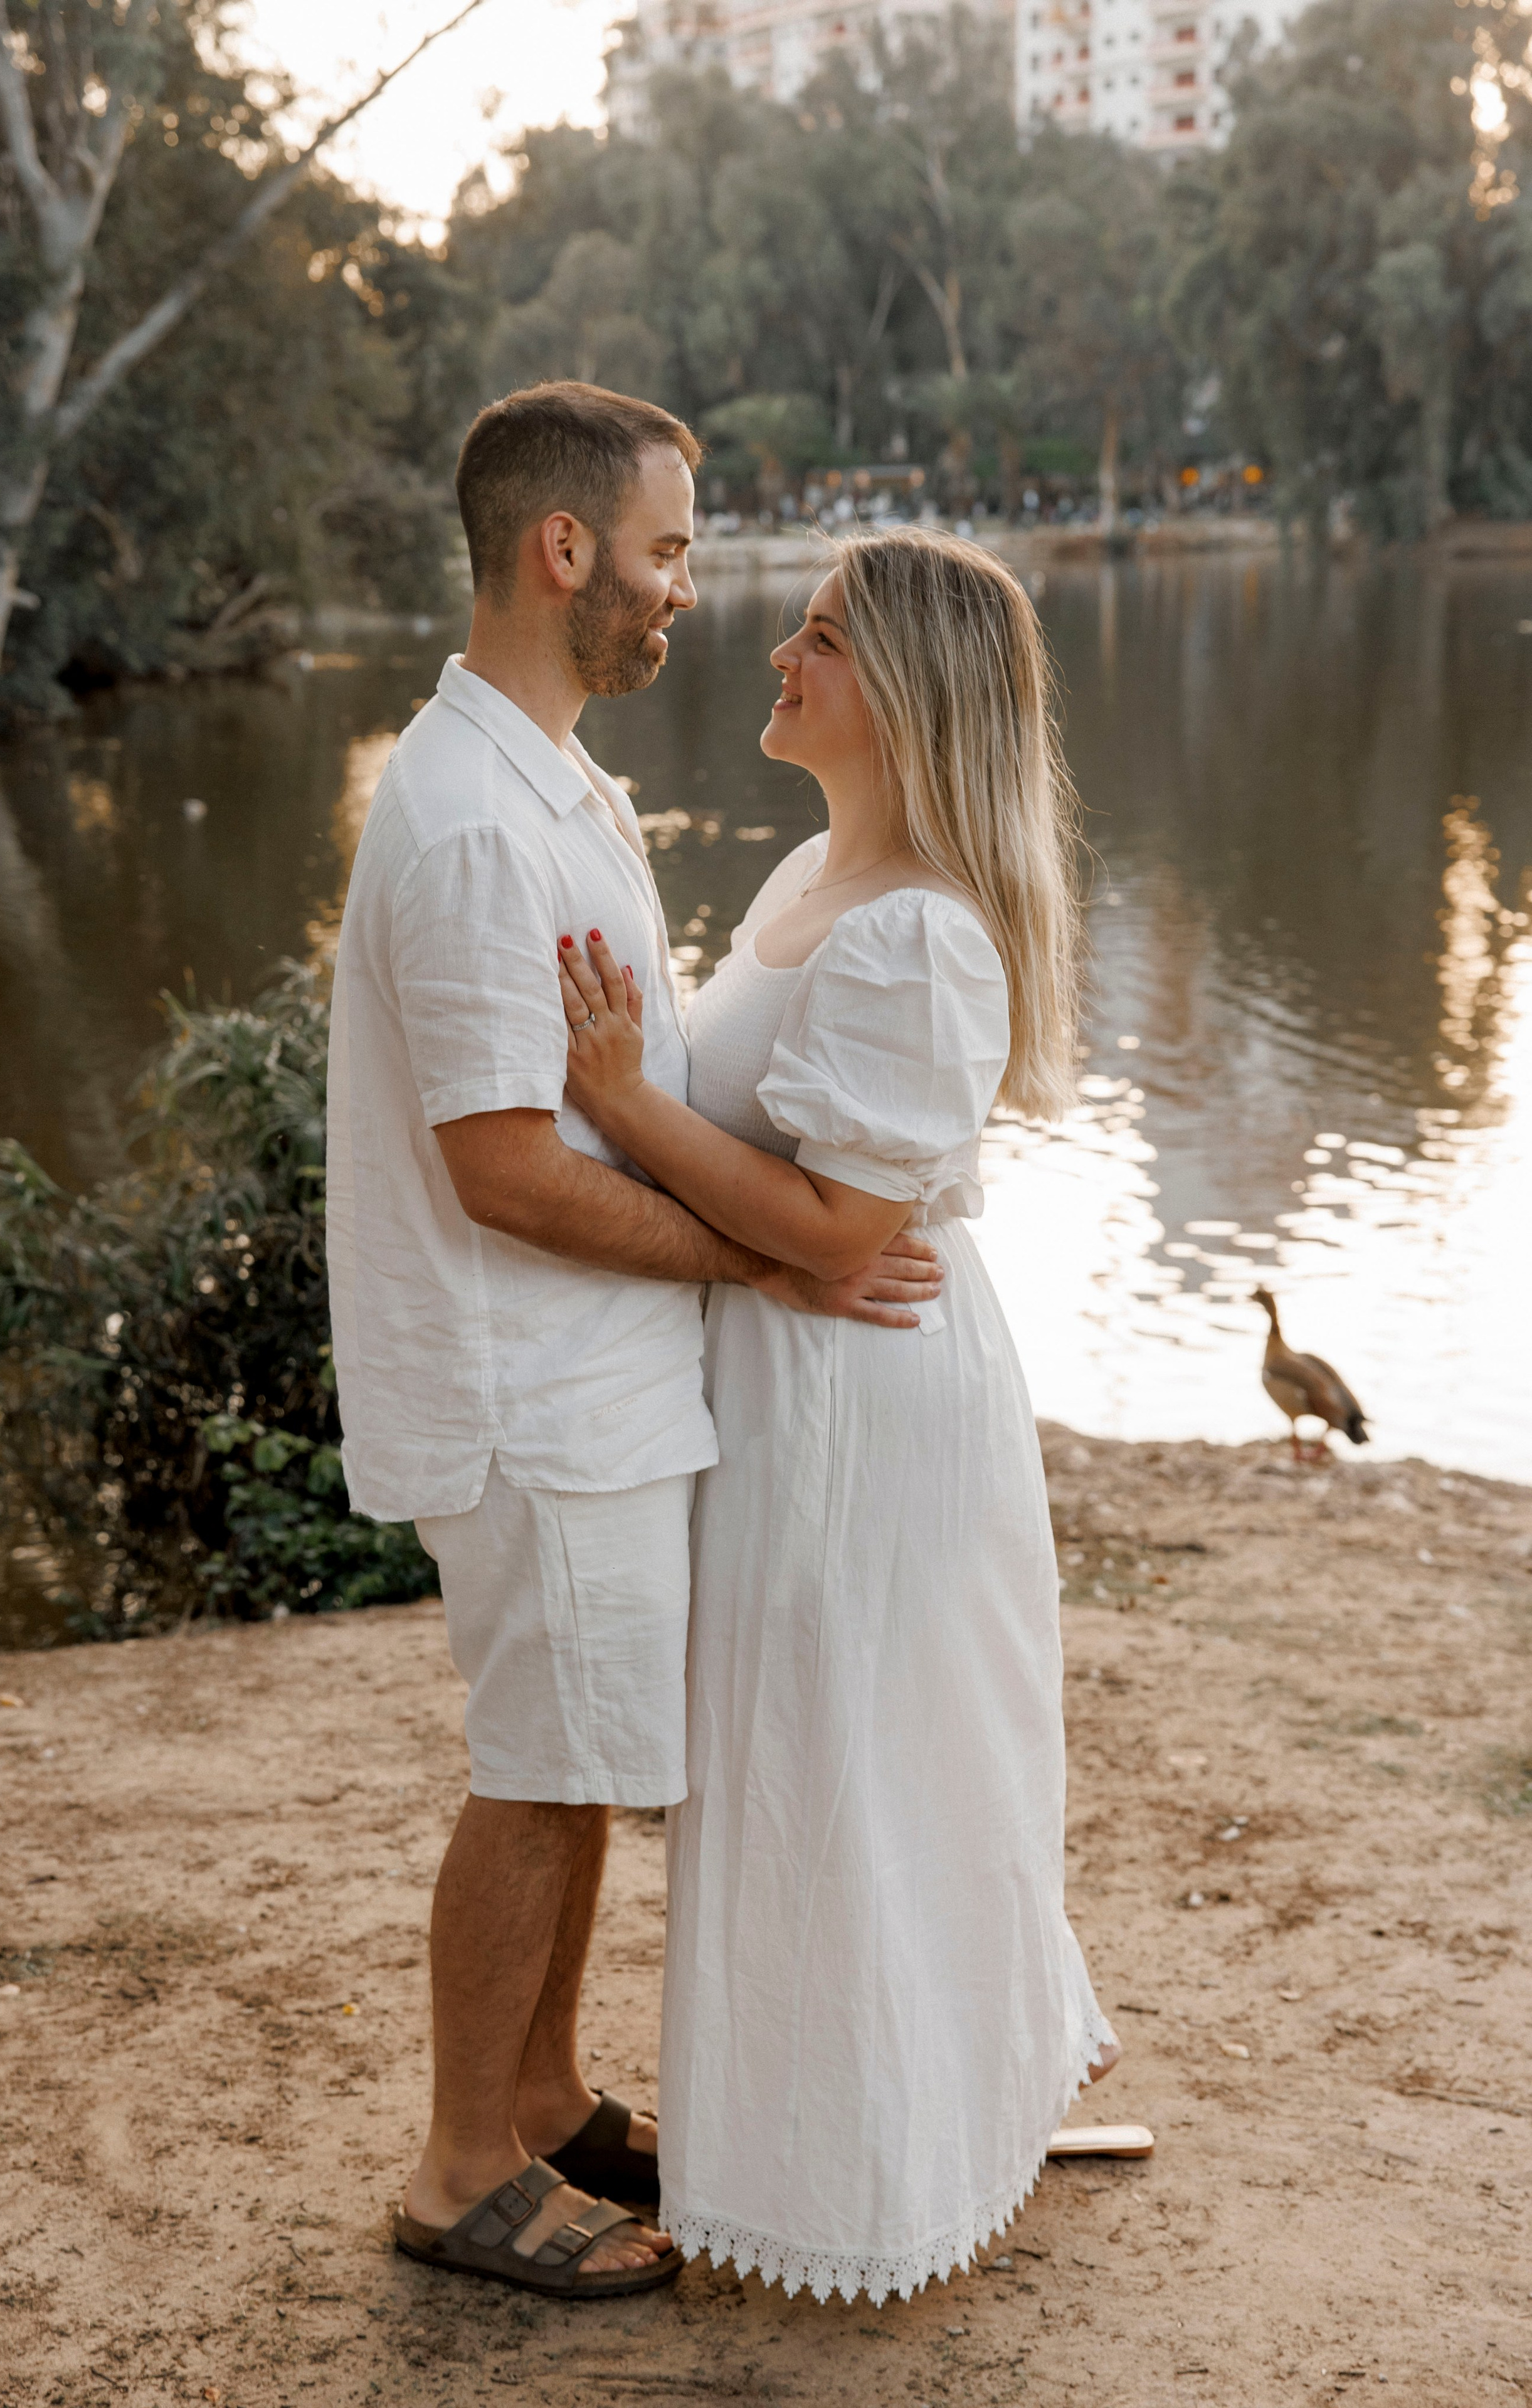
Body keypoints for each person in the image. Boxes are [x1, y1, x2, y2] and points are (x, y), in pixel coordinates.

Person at [324, 383, 943, 2300]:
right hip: (532, 1387)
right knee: (539, 1765)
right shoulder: (464, 826)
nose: (687, 589)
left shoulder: (549, 774)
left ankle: (543, 2101)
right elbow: (506, 1171)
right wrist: (759, 1265)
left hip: (597, 1378)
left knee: (585, 1752)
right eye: (668, 550)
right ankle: (454, 2172)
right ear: (563, 549)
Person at [554, 525, 1119, 2307]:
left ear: (909, 698)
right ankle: (863, 2131)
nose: (776, 657)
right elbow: (788, 1201)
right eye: (795, 629)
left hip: (868, 1405)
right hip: (790, 1385)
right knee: (810, 1761)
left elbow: (831, 1232)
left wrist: (616, 1098)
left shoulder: (927, 940)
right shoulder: (811, 870)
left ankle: (881, 2170)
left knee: (856, 1764)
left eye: (817, 640)